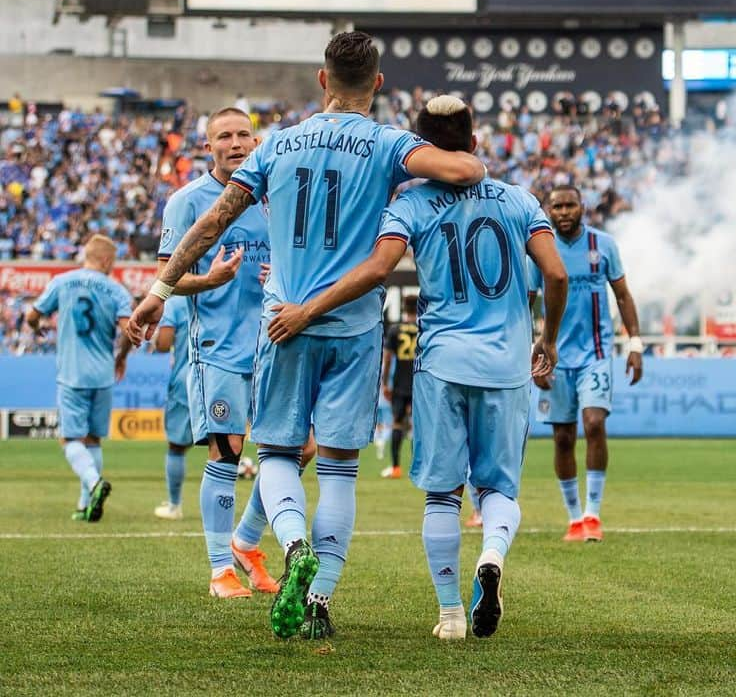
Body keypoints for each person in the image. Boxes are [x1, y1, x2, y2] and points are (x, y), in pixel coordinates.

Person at [128, 32, 485, 641]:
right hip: (354, 324)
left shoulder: (278, 145)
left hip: (286, 320)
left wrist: (158, 291)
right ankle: (319, 599)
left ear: (322, 80)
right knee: (340, 467)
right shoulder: (389, 143)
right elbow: (465, 168)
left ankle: (292, 545)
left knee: (274, 455)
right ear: (376, 84)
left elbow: (214, 222)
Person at [267, 95, 568, 641]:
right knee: (498, 490)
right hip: (506, 368)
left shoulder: (408, 205)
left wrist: (309, 309)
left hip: (442, 364)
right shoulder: (521, 200)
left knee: (440, 495)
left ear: (425, 147)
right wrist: (546, 335)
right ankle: (492, 558)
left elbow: (379, 267)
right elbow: (557, 274)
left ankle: (451, 614)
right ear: (474, 144)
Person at [144, 107, 279, 598]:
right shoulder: (187, 202)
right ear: (209, 146)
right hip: (218, 348)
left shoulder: (273, 199)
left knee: (296, 450)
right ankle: (221, 568)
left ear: (256, 141)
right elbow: (167, 277)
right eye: (225, 135)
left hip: (275, 344)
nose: (237, 142)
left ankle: (246, 541)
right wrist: (212, 278)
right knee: (227, 453)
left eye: (245, 133)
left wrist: (278, 277)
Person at [531, 185, 643, 543]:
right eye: (557, 206)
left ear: (583, 208)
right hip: (555, 358)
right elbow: (525, 302)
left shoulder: (603, 246)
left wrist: (635, 343)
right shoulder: (539, 249)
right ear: (548, 210)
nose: (563, 212)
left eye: (570, 205)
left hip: (596, 354)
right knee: (563, 437)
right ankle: (574, 517)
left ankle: (594, 514)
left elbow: (623, 296)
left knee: (594, 423)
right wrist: (531, 355)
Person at [26, 234, 131, 521]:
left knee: (69, 439)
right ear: (107, 260)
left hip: (72, 373)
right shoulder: (116, 289)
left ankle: (94, 484)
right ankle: (86, 506)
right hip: (103, 374)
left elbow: (32, 315)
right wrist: (120, 358)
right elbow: (129, 330)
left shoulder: (62, 281)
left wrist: (37, 327)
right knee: (94, 439)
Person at [154, 296, 194, 518]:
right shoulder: (222, 289)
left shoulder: (177, 302)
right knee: (224, 446)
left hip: (185, 379)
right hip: (222, 376)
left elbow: (163, 344)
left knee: (177, 446)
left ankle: (174, 505)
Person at [380, 295, 419, 480]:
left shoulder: (395, 329)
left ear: (404, 307)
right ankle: (419, 468)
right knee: (419, 426)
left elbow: (387, 358)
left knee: (397, 423)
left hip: (400, 384)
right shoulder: (423, 329)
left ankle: (396, 467)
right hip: (420, 383)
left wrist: (385, 383)